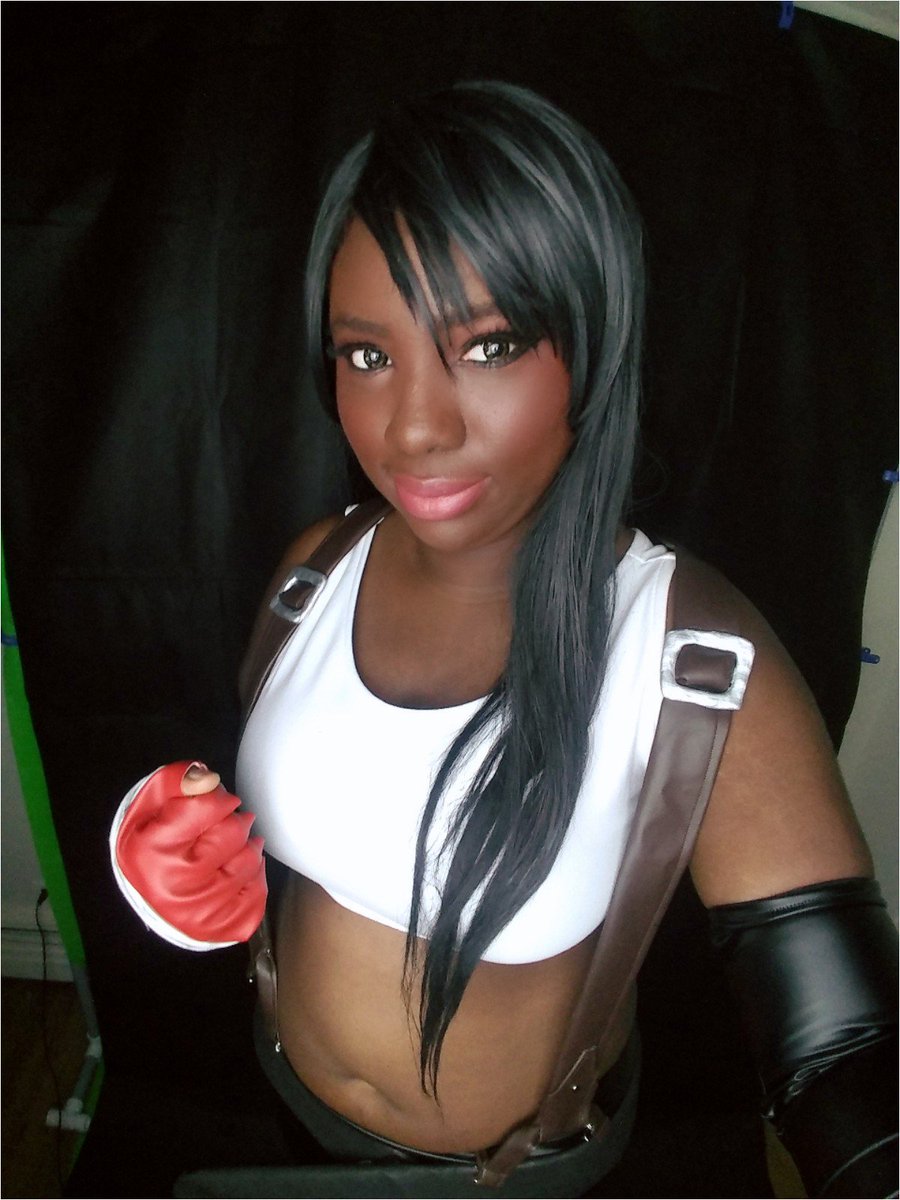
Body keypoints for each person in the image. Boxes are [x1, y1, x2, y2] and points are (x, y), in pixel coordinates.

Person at [111, 81, 897, 1198]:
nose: (414, 427)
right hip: (284, 1100)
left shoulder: (693, 660)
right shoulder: (316, 570)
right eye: (368, 356)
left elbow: (848, 1054)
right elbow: (292, 831)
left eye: (487, 348)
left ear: (592, 342)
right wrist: (171, 859)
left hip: (511, 1178)